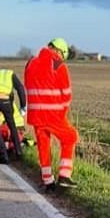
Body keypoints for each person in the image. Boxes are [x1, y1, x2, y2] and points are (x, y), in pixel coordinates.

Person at [24, 37, 78, 190]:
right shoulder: (58, 65)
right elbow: (66, 94)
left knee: (43, 145)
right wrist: (62, 112)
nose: (62, 59)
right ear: (59, 51)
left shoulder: (31, 62)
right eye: (63, 56)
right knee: (70, 137)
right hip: (52, 113)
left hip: (35, 114)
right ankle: (64, 175)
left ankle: (47, 181)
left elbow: (27, 85)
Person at [0, 66, 27, 164]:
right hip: (5, 100)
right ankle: (19, 153)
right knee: (12, 126)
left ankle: (4, 156)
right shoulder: (9, 74)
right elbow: (20, 88)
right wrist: (23, 105)